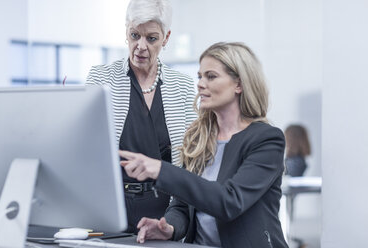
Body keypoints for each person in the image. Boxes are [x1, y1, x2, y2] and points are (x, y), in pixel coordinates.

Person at [119, 42, 288, 248]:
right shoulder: (199, 137)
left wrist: (162, 170)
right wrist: (169, 228)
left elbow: (229, 202)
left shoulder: (267, 140)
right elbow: (182, 206)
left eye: (211, 76)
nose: (200, 84)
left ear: (239, 84)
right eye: (199, 76)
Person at [86, 0, 196, 233]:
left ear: (166, 38)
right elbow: (86, 146)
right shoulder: (101, 78)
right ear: (126, 30)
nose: (141, 46)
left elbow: (192, 161)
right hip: (111, 206)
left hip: (166, 210)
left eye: (151, 38)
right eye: (135, 35)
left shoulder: (183, 86)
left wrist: (178, 219)